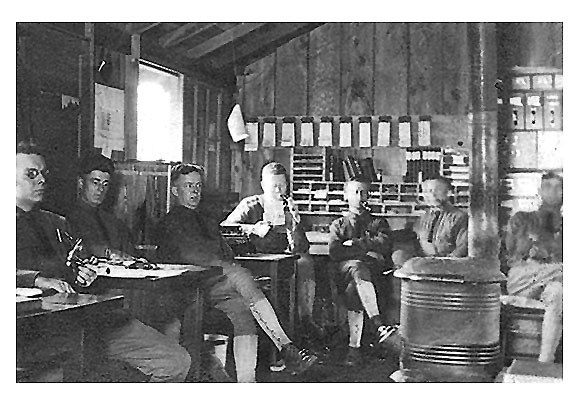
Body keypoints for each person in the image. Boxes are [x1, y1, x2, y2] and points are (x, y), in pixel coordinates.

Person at [16, 141, 191, 382]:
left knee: (176, 360)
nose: (42, 181)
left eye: (44, 174)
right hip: (33, 334)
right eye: (31, 174)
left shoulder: (56, 223)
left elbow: (76, 261)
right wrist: (37, 279)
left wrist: (81, 271)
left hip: (86, 321)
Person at [155, 163, 318, 382]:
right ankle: (286, 347)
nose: (195, 191)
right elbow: (193, 255)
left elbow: (225, 247)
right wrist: (228, 259)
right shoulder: (172, 221)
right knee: (240, 274)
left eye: (198, 186)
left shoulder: (205, 220)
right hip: (185, 287)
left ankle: (247, 383)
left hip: (213, 284)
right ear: (175, 190)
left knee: (243, 312)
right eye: (188, 186)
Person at [222, 162, 323, 340]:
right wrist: (252, 228)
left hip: (283, 261)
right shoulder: (251, 204)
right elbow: (225, 229)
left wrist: (295, 224)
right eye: (273, 186)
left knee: (306, 262)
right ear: (263, 186)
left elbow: (301, 248)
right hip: (254, 261)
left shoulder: (289, 206)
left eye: (282, 185)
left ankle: (306, 319)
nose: (278, 190)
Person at [328, 174, 398, 366]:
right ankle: (378, 325)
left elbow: (384, 245)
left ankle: (354, 348)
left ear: (368, 195)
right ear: (346, 195)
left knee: (354, 286)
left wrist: (355, 244)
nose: (359, 197)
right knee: (357, 267)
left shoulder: (378, 222)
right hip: (344, 271)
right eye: (355, 192)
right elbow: (335, 252)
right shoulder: (338, 224)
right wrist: (367, 249)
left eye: (363, 192)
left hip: (369, 276)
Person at [505, 172, 563, 363]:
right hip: (522, 279)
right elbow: (514, 255)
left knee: (558, 293)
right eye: (547, 187)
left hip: (551, 281)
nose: (553, 192)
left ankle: (545, 361)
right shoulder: (522, 218)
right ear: (539, 191)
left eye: (558, 188)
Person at [66, 152, 135, 259]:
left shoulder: (114, 223)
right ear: (81, 182)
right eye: (95, 182)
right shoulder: (66, 218)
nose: (101, 189)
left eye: (105, 184)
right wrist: (107, 253)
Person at [393, 176, 468, 267]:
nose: (430, 195)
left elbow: (462, 248)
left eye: (435, 190)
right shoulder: (424, 217)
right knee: (399, 255)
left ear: (448, 192)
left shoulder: (459, 217)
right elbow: (414, 240)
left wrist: (447, 262)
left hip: (445, 263)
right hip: (423, 262)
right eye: (426, 191)